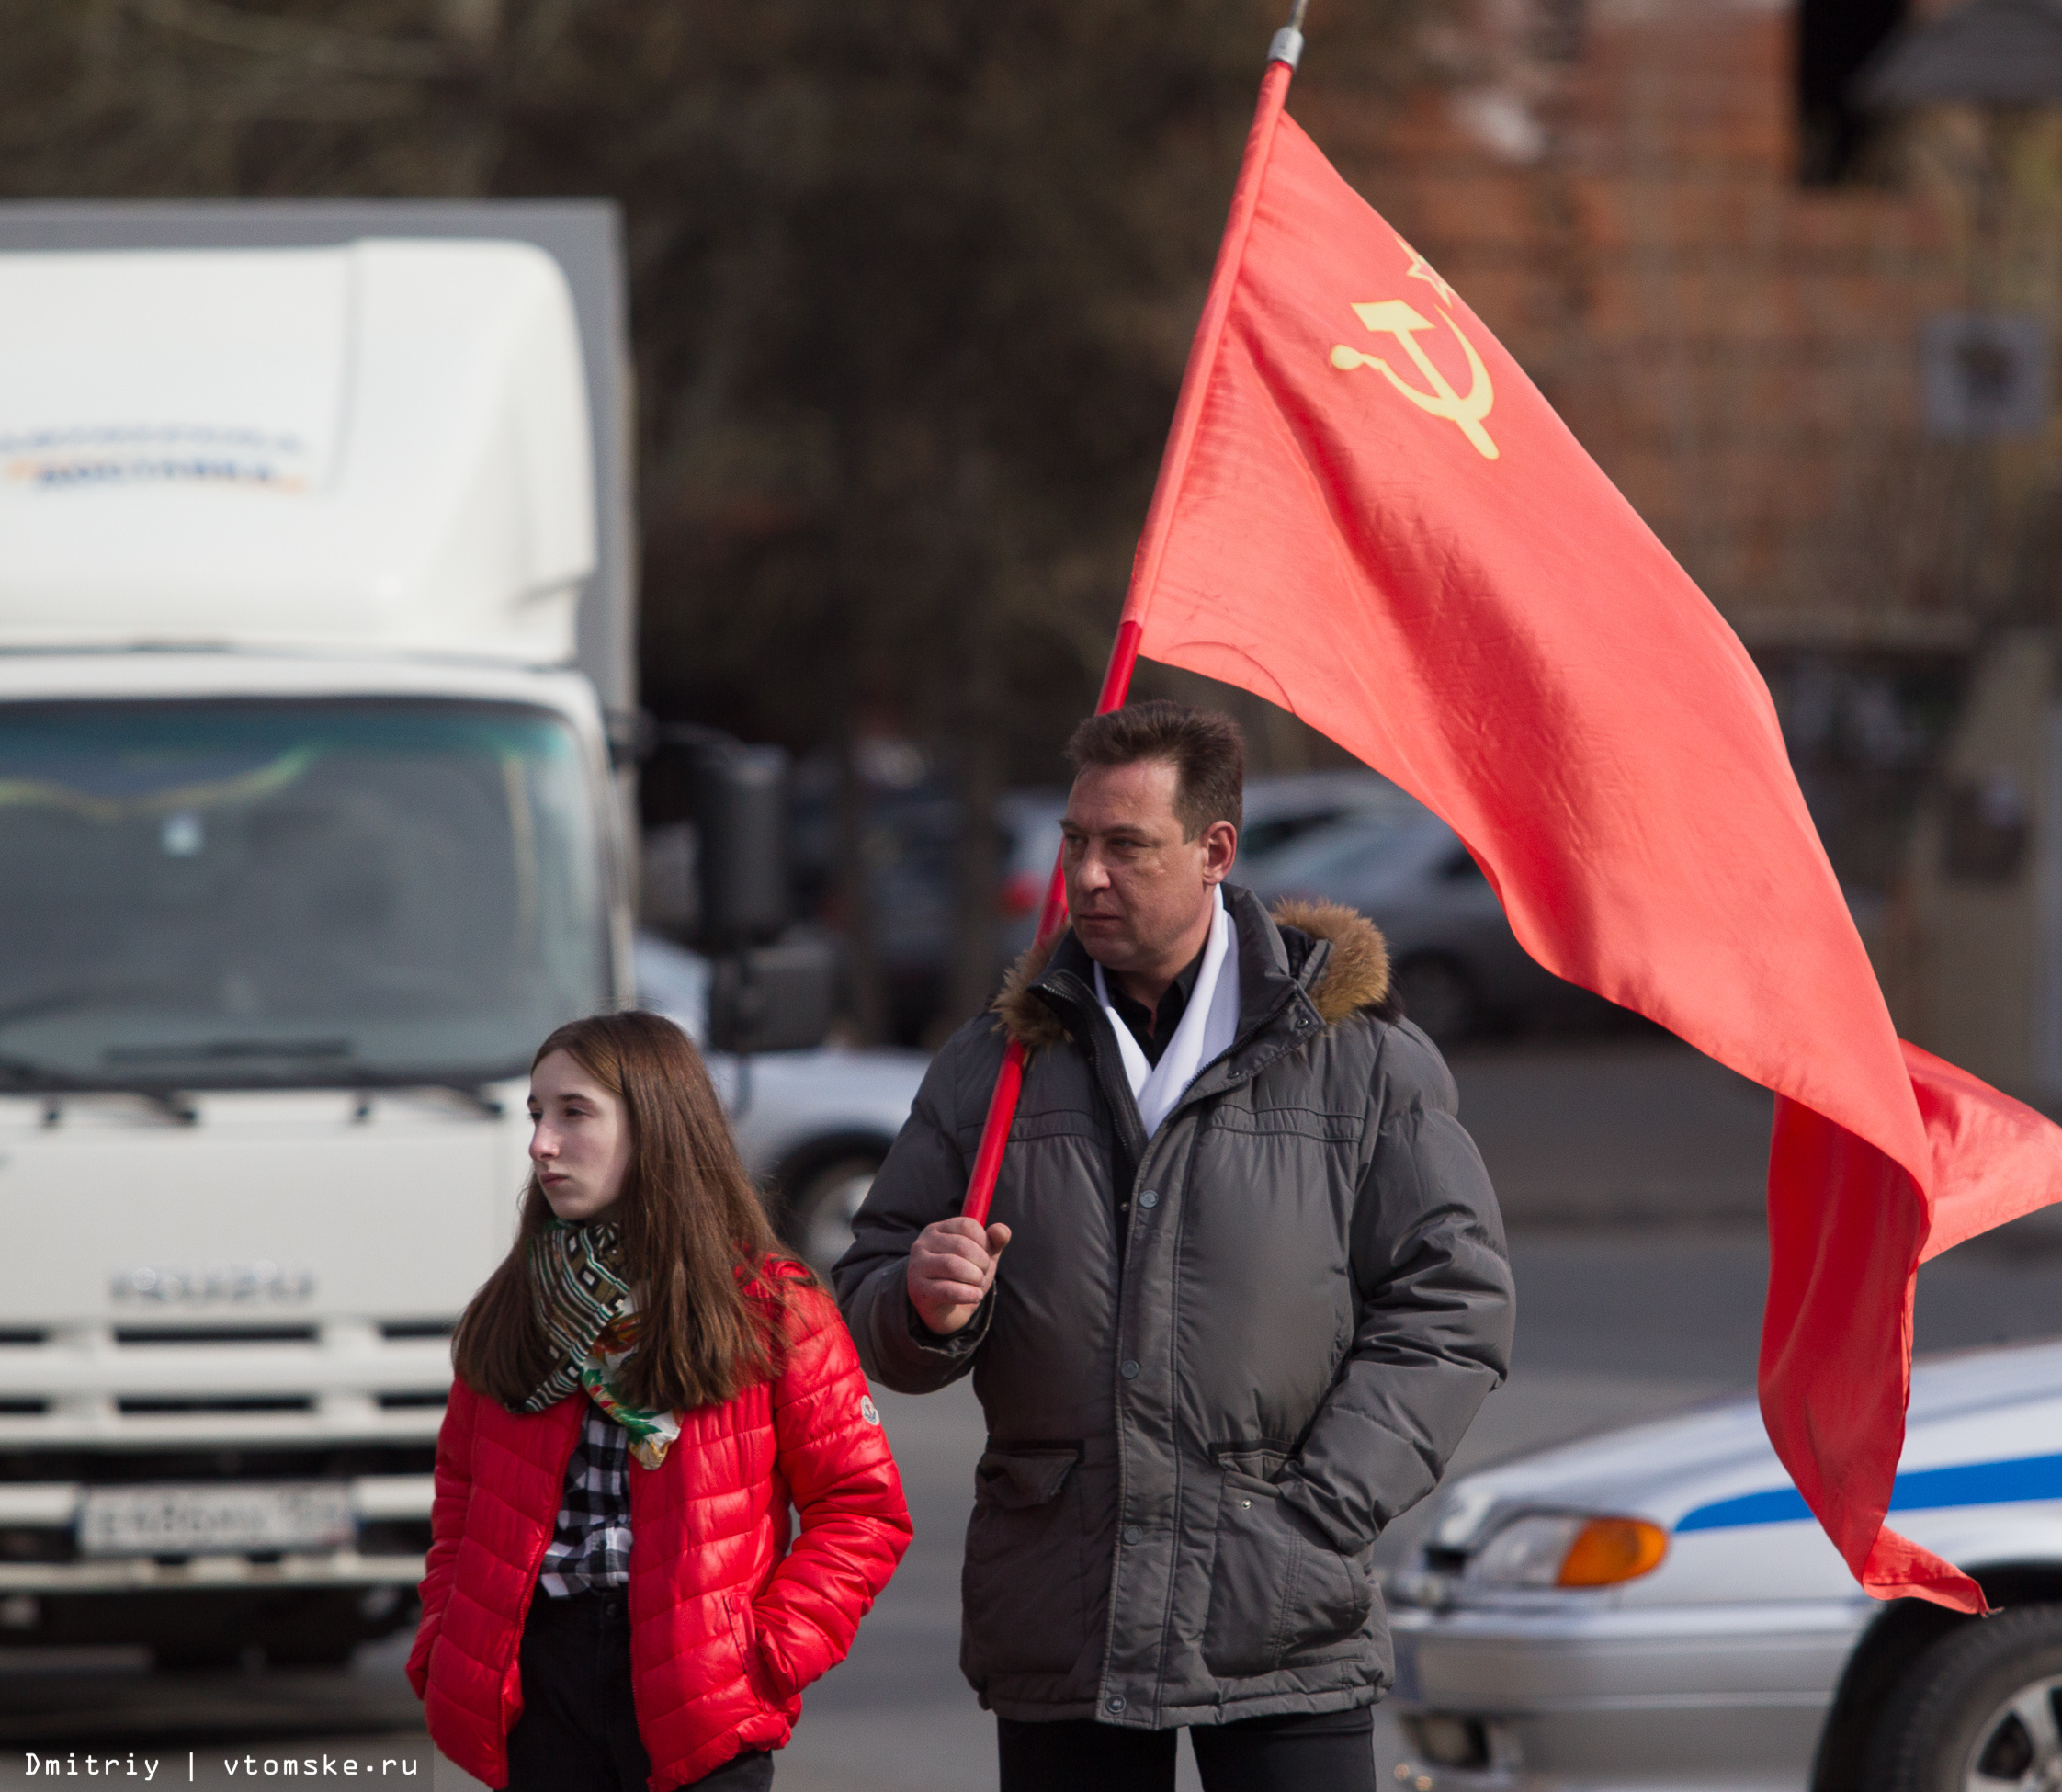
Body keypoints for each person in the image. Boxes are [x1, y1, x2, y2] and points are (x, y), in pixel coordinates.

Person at [833, 700, 1513, 1792]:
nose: (1087, 877)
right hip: (1064, 1614)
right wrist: (920, 1305)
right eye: (1075, 842)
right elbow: (871, 1283)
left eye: (1125, 846)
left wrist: (1320, 1511)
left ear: (1213, 852)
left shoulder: (1360, 1060)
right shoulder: (992, 1064)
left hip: (1285, 1618)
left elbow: (1453, 1309)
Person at [411, 1011, 912, 1792]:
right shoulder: (517, 1302)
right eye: (537, 1114)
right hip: (537, 1680)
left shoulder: (770, 1308)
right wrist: (446, 1639)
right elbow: (460, 1497)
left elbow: (862, 1510)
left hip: (698, 1686)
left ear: (656, 1126)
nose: (542, 1143)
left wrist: (768, 1654)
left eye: (574, 1113)